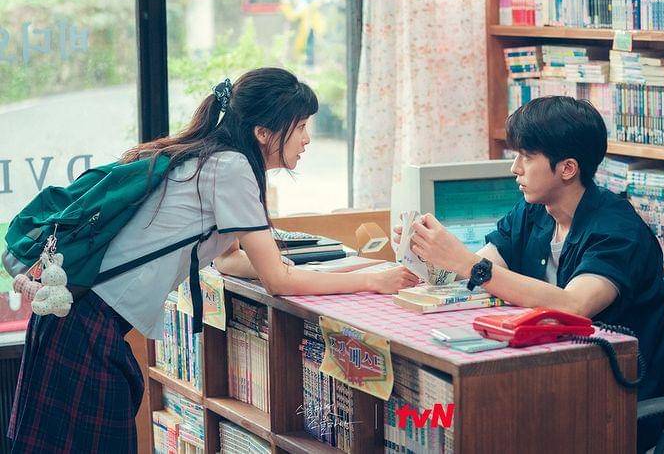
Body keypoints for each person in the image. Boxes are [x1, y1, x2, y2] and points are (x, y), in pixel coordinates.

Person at [6, 67, 418, 453]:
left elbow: (230, 262)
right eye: (300, 127)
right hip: (86, 325)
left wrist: (343, 268)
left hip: (77, 319)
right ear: (263, 132)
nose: (307, 139)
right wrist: (372, 281)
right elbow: (277, 281)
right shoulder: (232, 168)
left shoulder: (213, 158)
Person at [395, 96, 664, 451]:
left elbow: (574, 305)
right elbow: (478, 269)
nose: (515, 168)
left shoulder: (618, 230)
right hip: (547, 375)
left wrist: (466, 263)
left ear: (567, 168)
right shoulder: (534, 212)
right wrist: (425, 253)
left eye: (526, 156)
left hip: (607, 399)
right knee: (453, 417)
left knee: (474, 423)